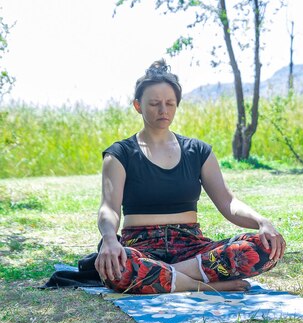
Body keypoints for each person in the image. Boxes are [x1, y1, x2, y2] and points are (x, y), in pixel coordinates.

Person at [95, 59, 286, 294]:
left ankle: (163, 276)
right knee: (120, 265)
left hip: (192, 245)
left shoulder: (198, 151)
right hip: (140, 245)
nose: (163, 110)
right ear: (137, 106)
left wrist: (262, 222)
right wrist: (109, 239)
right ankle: (203, 286)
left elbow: (228, 202)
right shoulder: (119, 154)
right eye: (154, 104)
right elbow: (109, 209)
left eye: (170, 103)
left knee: (265, 247)